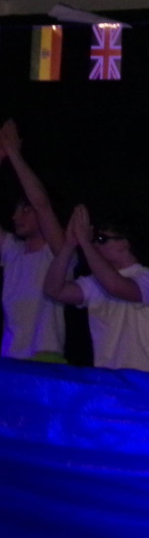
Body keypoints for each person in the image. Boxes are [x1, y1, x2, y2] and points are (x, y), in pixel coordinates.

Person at [43, 205, 149, 372]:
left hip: (143, 379)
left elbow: (115, 286)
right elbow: (53, 290)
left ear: (125, 243)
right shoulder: (95, 282)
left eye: (102, 239)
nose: (96, 244)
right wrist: (69, 245)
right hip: (107, 378)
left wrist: (85, 243)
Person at [0, 120, 68, 361]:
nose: (16, 216)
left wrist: (14, 155)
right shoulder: (12, 250)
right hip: (10, 359)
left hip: (44, 358)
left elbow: (42, 204)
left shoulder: (59, 252)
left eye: (25, 209)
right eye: (16, 210)